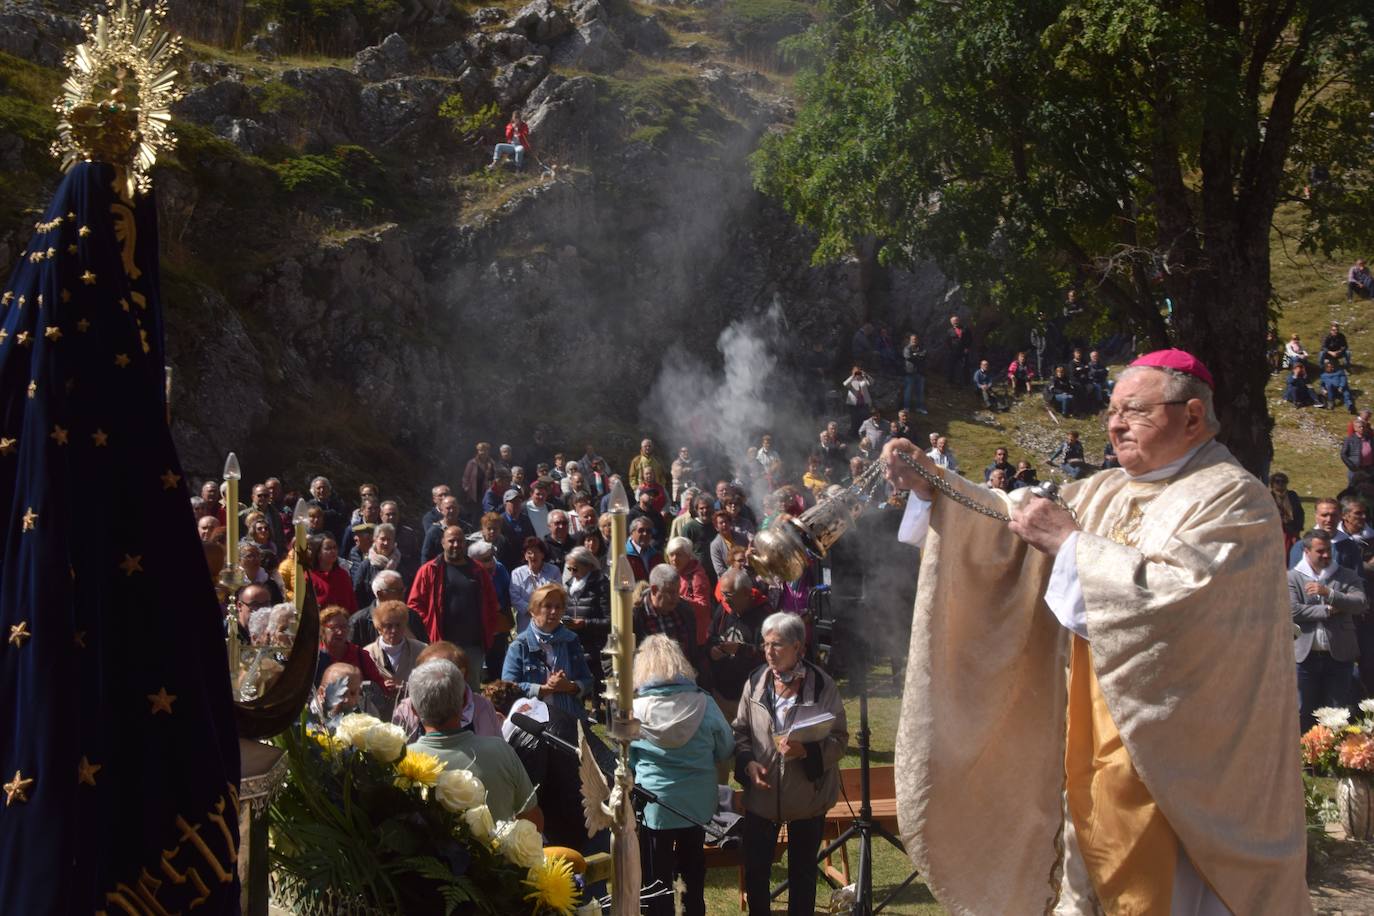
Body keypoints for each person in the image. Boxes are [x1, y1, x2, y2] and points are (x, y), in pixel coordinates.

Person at [882, 348, 1307, 913]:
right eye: (1111, 410)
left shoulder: (1233, 498)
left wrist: (1072, 545)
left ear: (1192, 417)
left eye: (1134, 410)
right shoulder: (1102, 489)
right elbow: (1012, 522)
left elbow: (1183, 603)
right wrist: (935, 485)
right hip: (1089, 736)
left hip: (1188, 771)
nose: (1114, 423)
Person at [734, 613, 847, 916]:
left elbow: (839, 739)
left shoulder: (822, 685)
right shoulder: (756, 680)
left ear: (798, 647)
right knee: (757, 872)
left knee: (803, 875)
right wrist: (747, 764)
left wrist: (807, 751)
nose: (768, 652)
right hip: (762, 793)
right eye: (765, 644)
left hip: (808, 796)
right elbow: (741, 732)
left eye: (777, 645)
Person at [630, 635, 734, 916]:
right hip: (697, 805)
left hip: (655, 805)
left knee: (655, 881)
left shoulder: (633, 710)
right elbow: (726, 748)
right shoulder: (705, 703)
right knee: (693, 875)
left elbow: (626, 761)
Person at [408, 660, 540, 823]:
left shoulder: (403, 762)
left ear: (413, 709)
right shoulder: (501, 751)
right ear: (464, 702)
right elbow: (533, 820)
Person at [407, 525, 504, 692]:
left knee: (471, 689)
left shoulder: (478, 570)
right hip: (441, 643)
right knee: (442, 688)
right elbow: (414, 604)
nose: (455, 545)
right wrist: (429, 623)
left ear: (465, 544)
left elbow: (491, 602)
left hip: (473, 645)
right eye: (451, 541)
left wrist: (488, 629)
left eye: (459, 541)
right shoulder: (429, 570)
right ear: (443, 543)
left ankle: (470, 719)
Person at [1290, 529, 1367, 731]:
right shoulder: (1292, 577)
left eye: (1328, 551)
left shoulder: (1346, 575)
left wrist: (1330, 593)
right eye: (1320, 551)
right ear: (1306, 551)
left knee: (1337, 712)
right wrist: (1328, 610)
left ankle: (1332, 759)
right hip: (1305, 658)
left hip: (1339, 657)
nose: (1326, 555)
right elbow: (1292, 610)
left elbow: (1360, 603)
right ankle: (1305, 759)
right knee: (1303, 710)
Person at [501, 583, 594, 718]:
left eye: (558, 607)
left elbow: (587, 680)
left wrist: (570, 686)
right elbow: (508, 687)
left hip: (568, 718)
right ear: (533, 610)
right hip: (530, 719)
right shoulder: (520, 645)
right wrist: (544, 689)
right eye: (548, 606)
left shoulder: (571, 640)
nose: (554, 611)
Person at [393, 642, 502, 741]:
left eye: (445, 673)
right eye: (429, 674)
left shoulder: (482, 706)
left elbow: (498, 748)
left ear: (462, 674)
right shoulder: (406, 709)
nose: (437, 681)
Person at [706, 569, 769, 722]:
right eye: (722, 594)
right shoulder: (723, 610)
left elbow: (769, 654)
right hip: (721, 693)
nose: (724, 600)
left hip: (751, 697)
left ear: (746, 593)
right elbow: (711, 636)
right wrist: (712, 649)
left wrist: (741, 649)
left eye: (729, 595)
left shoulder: (765, 616)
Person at [363, 600, 429, 712]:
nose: (394, 630)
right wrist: (380, 687)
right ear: (379, 628)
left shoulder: (422, 650)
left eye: (398, 625)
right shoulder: (367, 653)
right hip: (379, 713)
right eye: (388, 626)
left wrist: (404, 687)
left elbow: (428, 682)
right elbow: (361, 687)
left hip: (414, 712)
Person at [632, 565, 698, 666]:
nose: (676, 597)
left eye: (677, 591)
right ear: (654, 590)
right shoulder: (634, 617)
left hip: (684, 677)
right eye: (670, 592)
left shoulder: (684, 610)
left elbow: (694, 652)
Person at [316, 605, 387, 695]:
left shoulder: (360, 655)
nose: (340, 632)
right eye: (334, 627)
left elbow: (379, 687)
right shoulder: (316, 657)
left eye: (344, 627)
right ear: (322, 630)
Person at [349, 569, 427, 647]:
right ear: (380, 594)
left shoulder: (412, 616)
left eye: (403, 590)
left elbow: (425, 649)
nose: (402, 595)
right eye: (397, 591)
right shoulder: (359, 621)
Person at [508, 536, 561, 633]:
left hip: (550, 620)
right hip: (526, 623)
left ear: (543, 554)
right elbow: (515, 598)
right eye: (529, 553)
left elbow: (558, 594)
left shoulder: (554, 571)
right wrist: (533, 610)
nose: (533, 556)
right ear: (525, 556)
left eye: (536, 552)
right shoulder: (517, 573)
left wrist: (546, 610)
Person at [306, 534, 356, 612]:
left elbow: (353, 604)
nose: (333, 551)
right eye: (328, 548)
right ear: (318, 553)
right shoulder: (308, 578)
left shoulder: (343, 575)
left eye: (334, 547)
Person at [1268, 472, 1305, 556]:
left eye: (1283, 481)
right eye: (1277, 481)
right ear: (1272, 484)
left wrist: (1298, 530)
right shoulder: (1269, 497)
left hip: (1293, 530)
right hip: (1277, 531)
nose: (1280, 484)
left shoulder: (1292, 495)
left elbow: (1300, 513)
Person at [842, 365, 875, 437]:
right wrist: (853, 376)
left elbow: (872, 382)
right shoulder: (851, 380)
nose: (857, 373)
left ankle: (864, 435)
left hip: (864, 403)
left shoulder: (864, 379)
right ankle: (854, 436)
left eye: (858, 371)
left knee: (865, 420)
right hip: (853, 404)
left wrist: (866, 375)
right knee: (854, 420)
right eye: (855, 371)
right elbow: (845, 384)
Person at [1341, 416, 1374, 484]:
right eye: (1360, 427)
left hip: (1369, 468)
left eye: (1363, 427)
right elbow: (1343, 454)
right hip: (1356, 469)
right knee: (1354, 488)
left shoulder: (1370, 438)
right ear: (1355, 428)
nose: (1362, 428)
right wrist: (1351, 466)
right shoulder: (1349, 439)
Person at [901, 333, 928, 413]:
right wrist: (918, 355)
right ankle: (906, 408)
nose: (914, 341)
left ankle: (920, 408)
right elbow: (908, 357)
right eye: (913, 339)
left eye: (915, 339)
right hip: (910, 373)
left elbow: (925, 355)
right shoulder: (907, 348)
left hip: (920, 372)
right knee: (908, 391)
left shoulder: (921, 348)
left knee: (920, 391)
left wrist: (915, 355)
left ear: (918, 340)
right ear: (910, 340)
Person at [944, 315, 971, 383]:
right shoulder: (949, 331)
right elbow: (947, 341)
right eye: (953, 321)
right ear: (951, 322)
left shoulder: (965, 329)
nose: (955, 322)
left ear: (959, 321)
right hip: (953, 351)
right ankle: (950, 381)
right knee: (951, 366)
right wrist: (950, 350)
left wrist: (967, 348)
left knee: (965, 366)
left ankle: (965, 382)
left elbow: (970, 339)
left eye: (956, 320)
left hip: (963, 351)